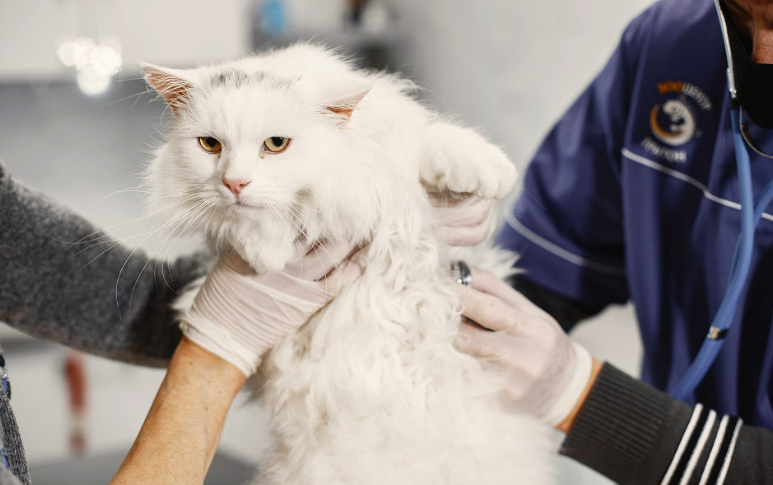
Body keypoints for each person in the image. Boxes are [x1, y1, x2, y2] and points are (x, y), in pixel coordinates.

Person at [455, 0, 773, 483]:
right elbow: (540, 267)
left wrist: (577, 394)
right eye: (746, 19)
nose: (763, 55)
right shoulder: (667, 43)